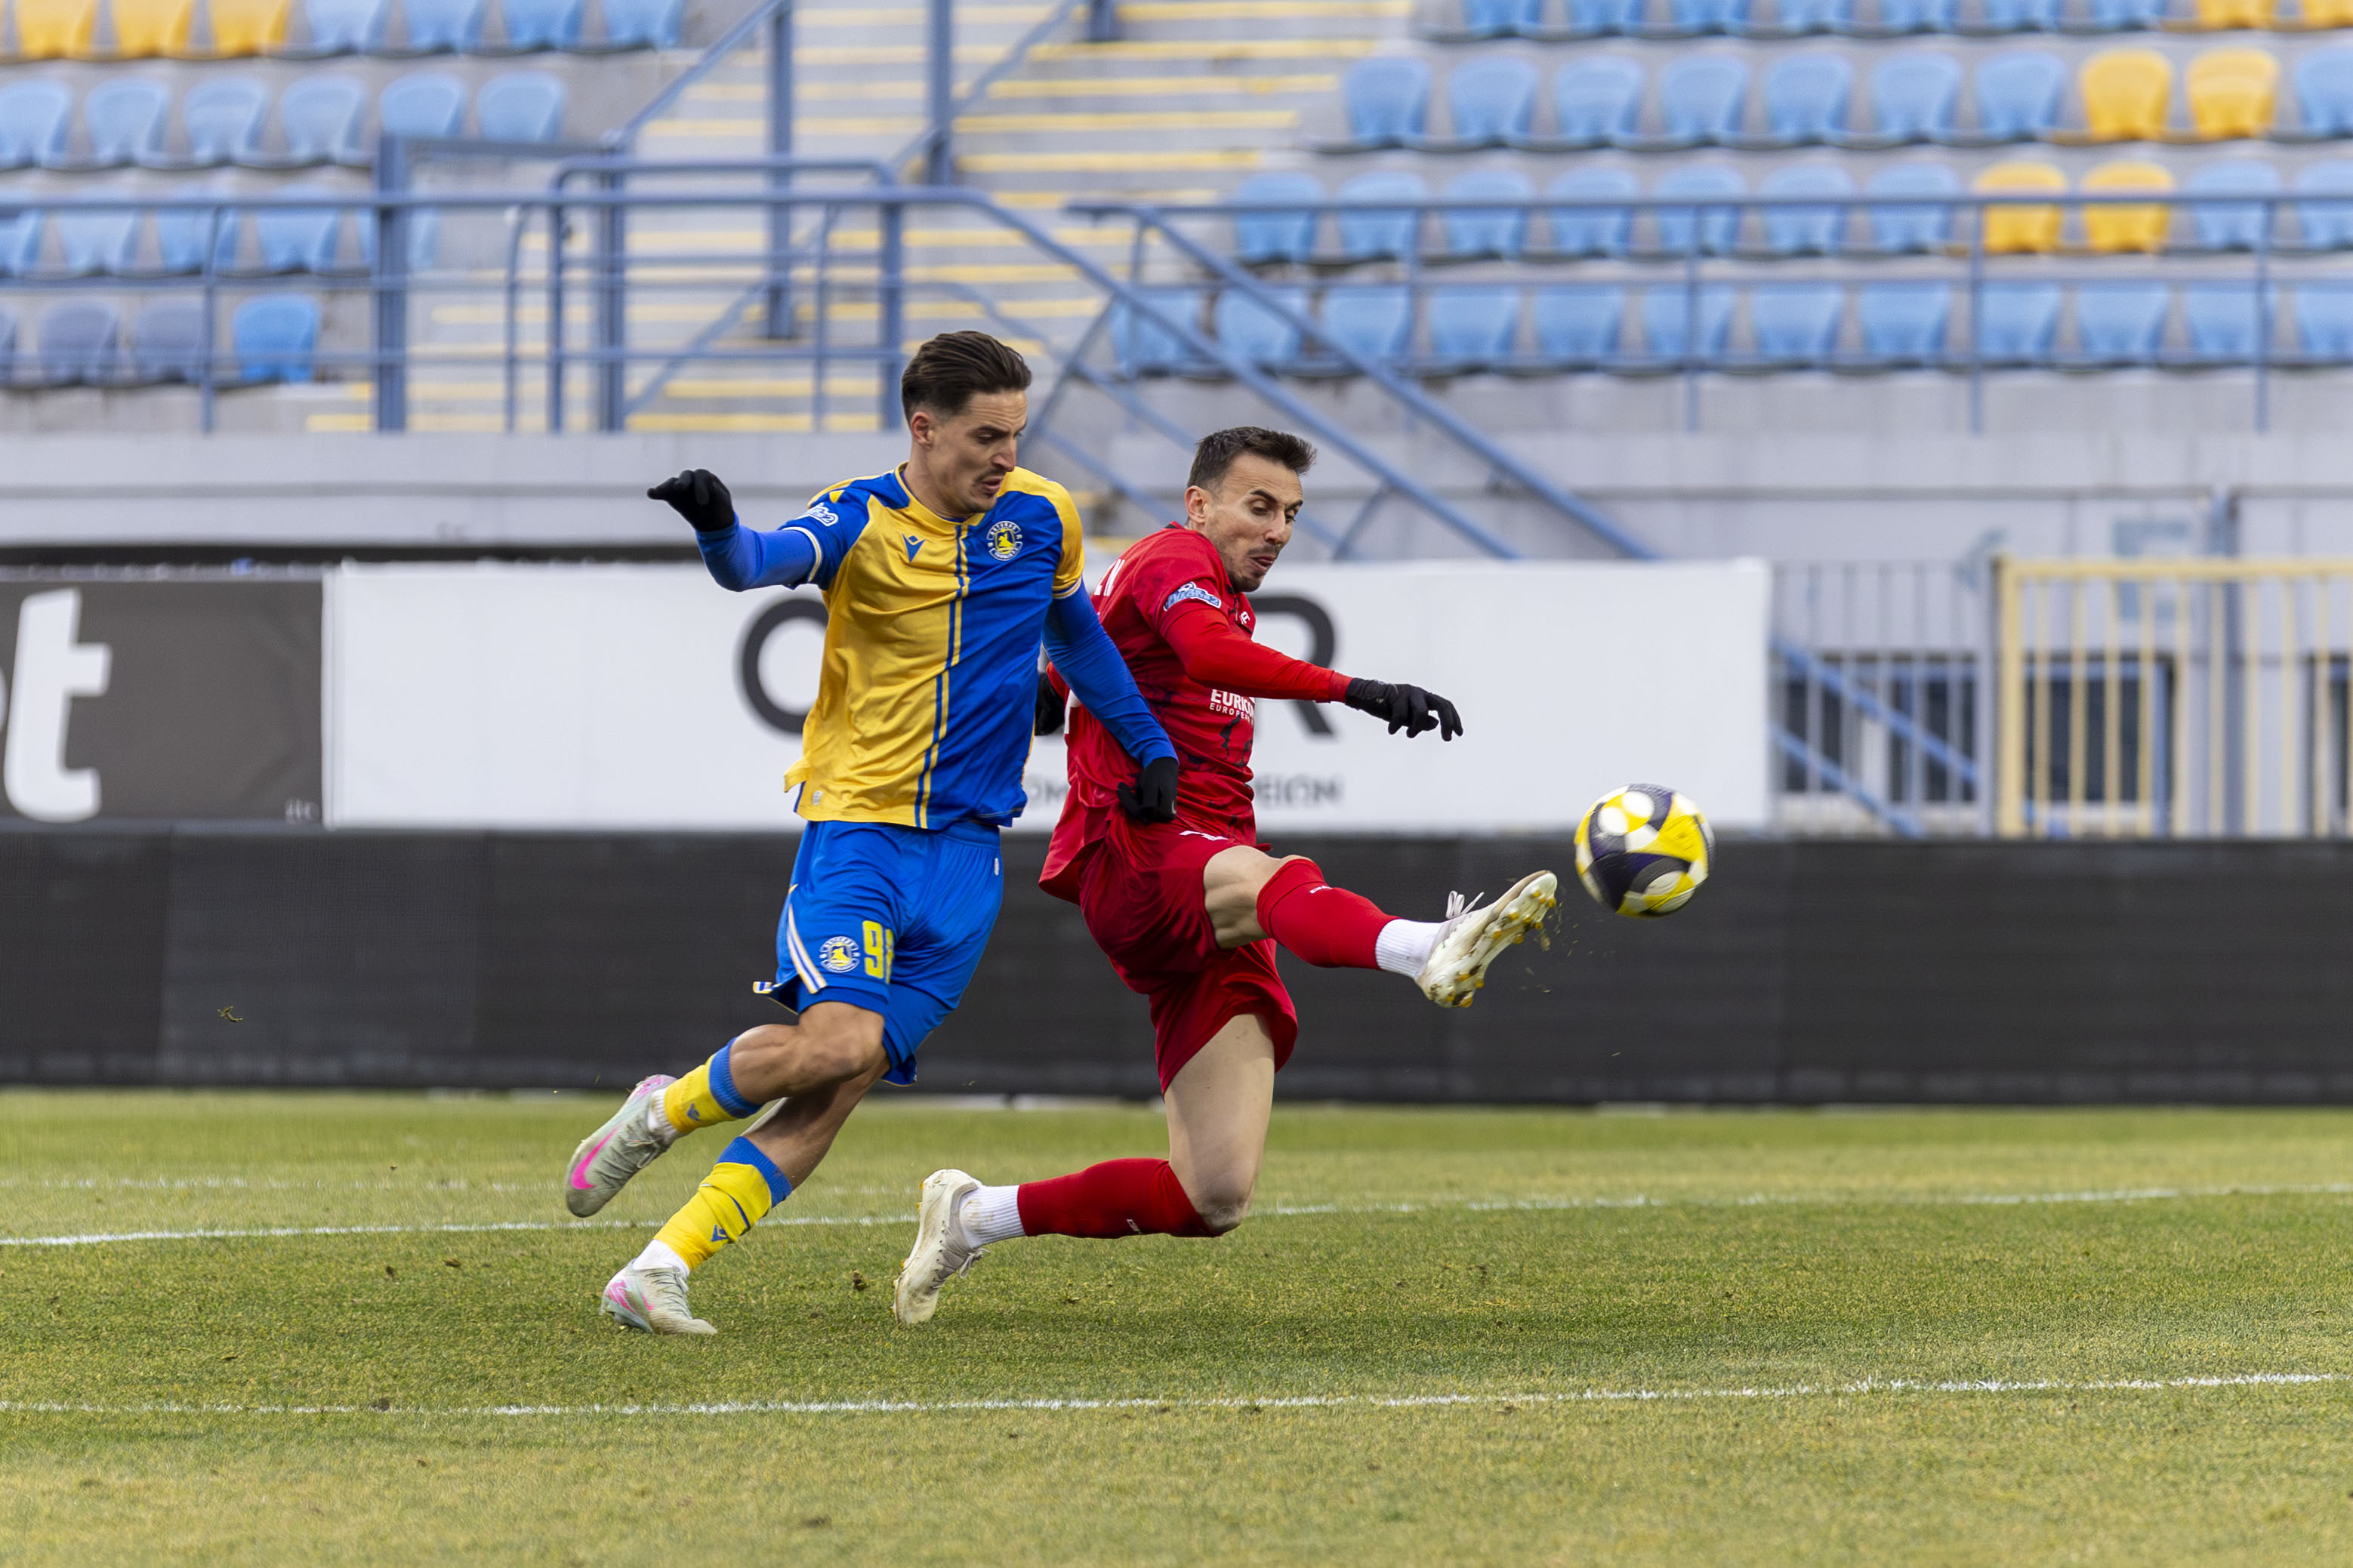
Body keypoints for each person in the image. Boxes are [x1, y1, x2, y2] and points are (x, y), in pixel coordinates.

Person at [561, 331, 1178, 1336]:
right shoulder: (860, 516)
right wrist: (717, 527)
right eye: (985, 437)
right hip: (863, 831)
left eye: (1015, 436)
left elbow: (1079, 638)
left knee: (842, 1080)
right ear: (923, 428)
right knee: (838, 1041)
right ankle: (661, 1112)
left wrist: (1147, 743)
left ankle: (657, 1268)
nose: (1005, 457)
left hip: (971, 855)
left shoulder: (1042, 515)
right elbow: (757, 562)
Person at [890, 426, 1556, 1326]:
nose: (1277, 530)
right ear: (1198, 504)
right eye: (1259, 506)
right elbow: (1201, 653)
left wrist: (1044, 696)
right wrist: (1355, 690)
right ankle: (1423, 945)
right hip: (1136, 854)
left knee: (1212, 1193)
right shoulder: (1172, 558)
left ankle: (973, 1217)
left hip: (1205, 883)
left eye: (1291, 514)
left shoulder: (1173, 591)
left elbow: (1061, 684)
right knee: (1273, 879)